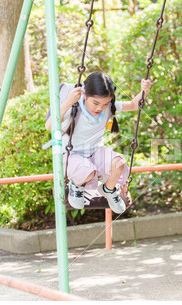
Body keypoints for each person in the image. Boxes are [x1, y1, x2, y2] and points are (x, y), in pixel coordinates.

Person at [45, 72, 152, 213]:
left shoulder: (109, 107)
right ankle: (75, 185)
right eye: (95, 103)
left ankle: (108, 189)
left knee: (119, 163)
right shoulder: (75, 107)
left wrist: (144, 91)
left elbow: (133, 105)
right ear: (84, 94)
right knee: (87, 171)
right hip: (70, 156)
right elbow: (50, 126)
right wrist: (68, 102)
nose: (99, 108)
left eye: (105, 104)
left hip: (94, 153)